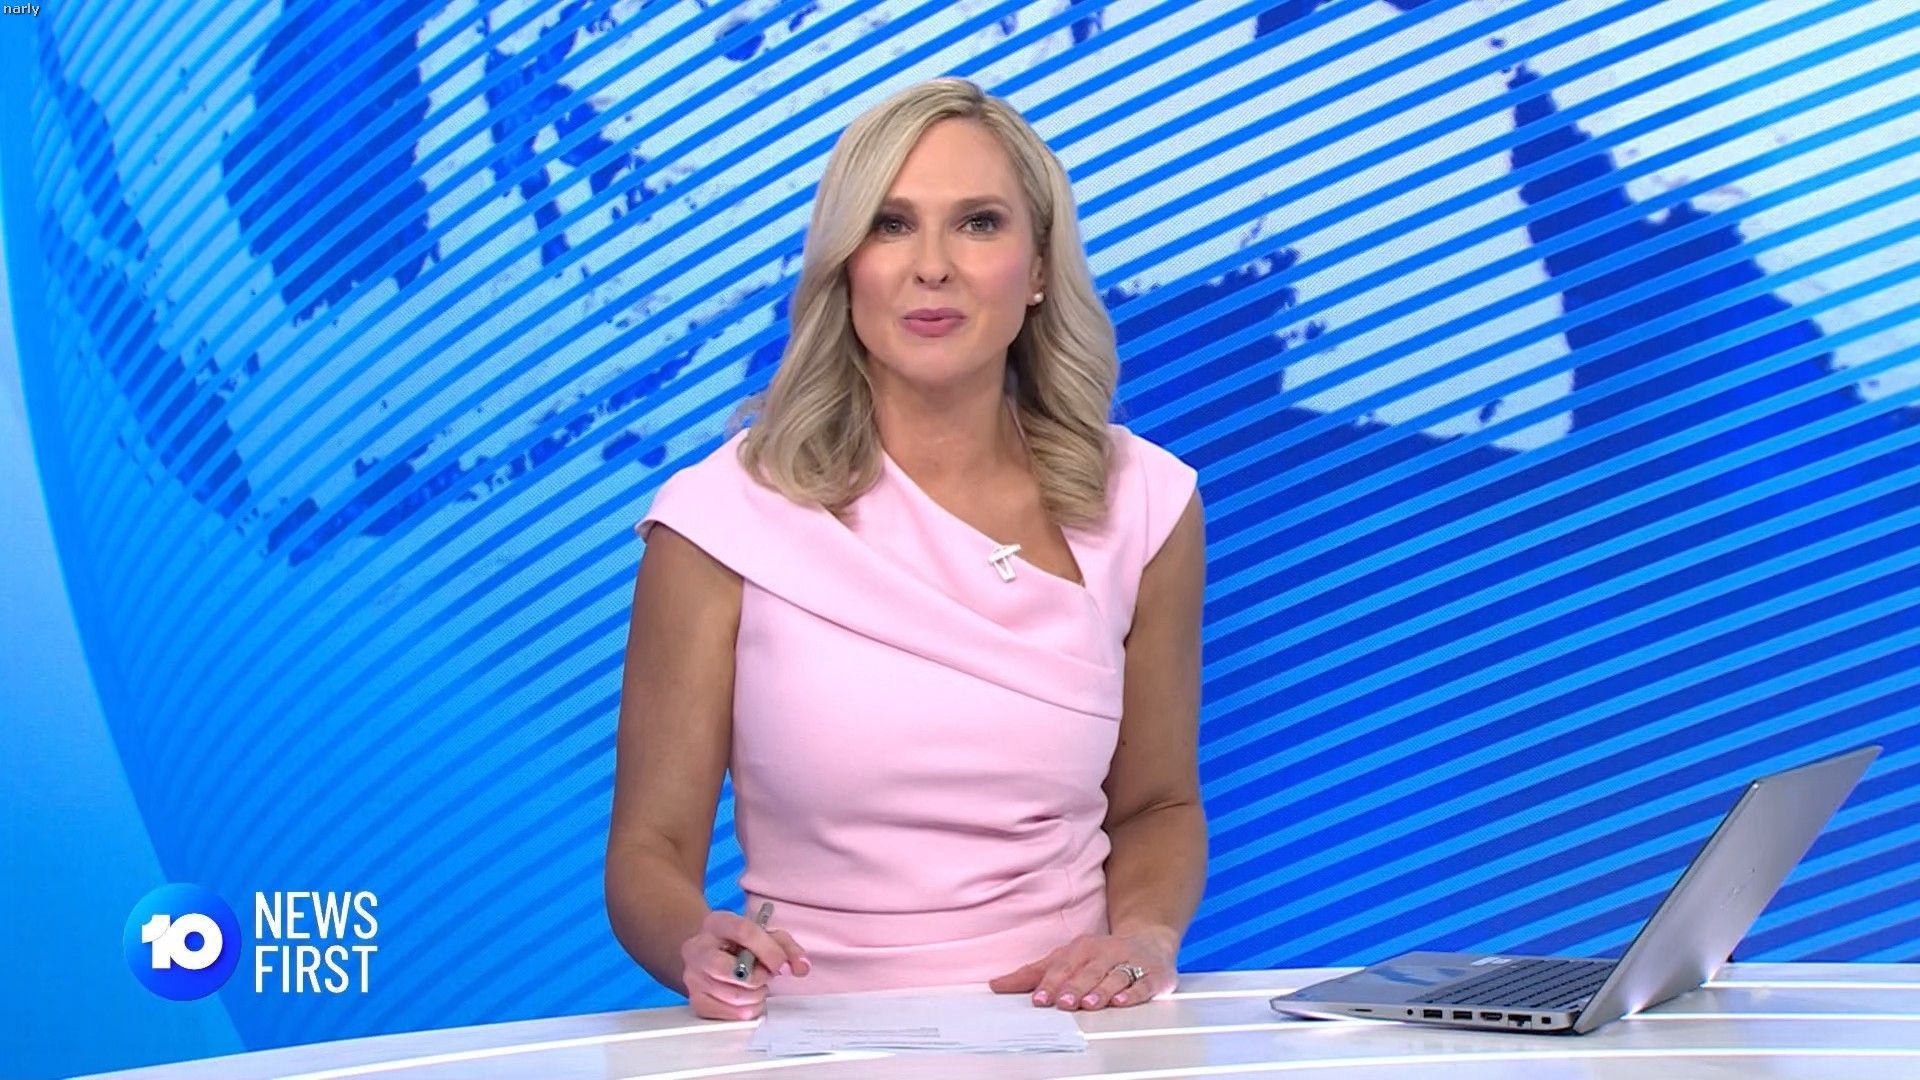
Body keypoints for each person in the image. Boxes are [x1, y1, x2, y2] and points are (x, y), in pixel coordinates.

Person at [604, 76, 1207, 1023]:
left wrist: (1140, 942)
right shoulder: (721, 518)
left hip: (1074, 1031)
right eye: (890, 225)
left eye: (978, 224)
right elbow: (649, 851)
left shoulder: (1145, 502)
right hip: (804, 1037)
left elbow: (1158, 807)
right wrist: (696, 943)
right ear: (846, 265)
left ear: (1038, 269)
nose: (932, 267)